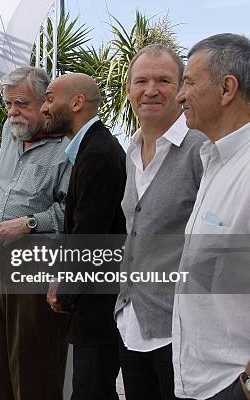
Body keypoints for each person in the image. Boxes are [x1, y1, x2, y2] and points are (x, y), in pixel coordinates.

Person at [112, 44, 205, 400]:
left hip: (179, 331)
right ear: (129, 90)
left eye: (163, 80)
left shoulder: (200, 148)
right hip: (130, 321)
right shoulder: (130, 153)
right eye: (142, 81)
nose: (151, 89)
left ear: (181, 88)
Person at [0, 66, 71, 400]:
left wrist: (28, 223)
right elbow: (4, 184)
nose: (12, 112)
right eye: (8, 104)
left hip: (34, 256)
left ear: (46, 102)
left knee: (33, 361)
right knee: (0, 354)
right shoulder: (10, 130)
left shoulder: (67, 146)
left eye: (21, 103)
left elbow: (68, 212)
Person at [173, 33, 250, 400]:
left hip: (231, 383)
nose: (179, 95)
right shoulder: (216, 161)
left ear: (227, 88)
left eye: (188, 82)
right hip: (202, 380)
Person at [43, 73, 126, 399]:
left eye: (50, 98)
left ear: (77, 102)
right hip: (93, 299)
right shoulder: (89, 149)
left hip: (98, 302)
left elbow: (89, 234)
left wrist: (64, 290)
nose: (45, 107)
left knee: (91, 389)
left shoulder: (98, 153)